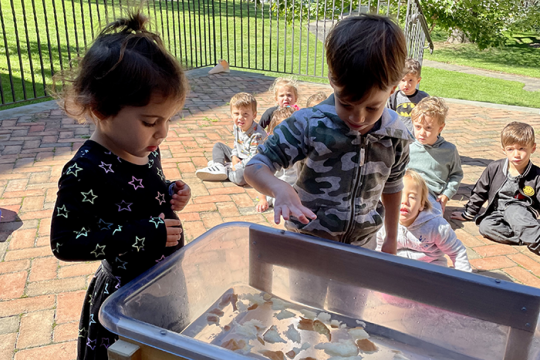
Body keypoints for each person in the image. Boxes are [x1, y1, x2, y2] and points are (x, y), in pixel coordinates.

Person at [50, 11, 189, 360]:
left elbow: (139, 191)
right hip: (124, 301)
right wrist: (144, 234)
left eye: (167, 120)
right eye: (150, 121)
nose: (162, 132)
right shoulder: (85, 170)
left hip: (164, 285)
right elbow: (64, 242)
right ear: (100, 108)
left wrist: (169, 192)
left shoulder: (142, 147)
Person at [245, 14, 413, 253]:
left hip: (362, 246)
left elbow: (393, 185)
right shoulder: (308, 124)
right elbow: (254, 167)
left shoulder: (395, 134)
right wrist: (279, 188)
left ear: (392, 89)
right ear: (333, 81)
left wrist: (391, 238)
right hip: (307, 241)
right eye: (346, 104)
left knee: (352, 292)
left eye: (372, 107)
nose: (358, 118)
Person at [452, 122, 540, 255]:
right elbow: (480, 192)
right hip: (498, 213)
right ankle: (526, 237)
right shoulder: (494, 168)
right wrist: (468, 213)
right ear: (503, 149)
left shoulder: (537, 175)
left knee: (513, 211)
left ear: (532, 148)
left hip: (521, 213)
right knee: (485, 226)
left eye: (522, 148)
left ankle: (536, 242)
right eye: (510, 149)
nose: (516, 154)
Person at [376, 170, 472, 271]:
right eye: (399, 196)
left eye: (412, 197)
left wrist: (465, 278)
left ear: (422, 205)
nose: (404, 201)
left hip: (430, 267)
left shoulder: (436, 226)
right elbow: (378, 251)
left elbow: (456, 252)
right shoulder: (382, 223)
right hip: (399, 267)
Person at [195, 93, 266, 185]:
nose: (240, 118)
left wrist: (237, 165)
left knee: (240, 178)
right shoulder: (237, 126)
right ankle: (218, 166)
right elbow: (237, 143)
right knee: (218, 146)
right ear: (232, 114)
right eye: (236, 113)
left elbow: (254, 158)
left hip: (253, 164)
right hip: (240, 157)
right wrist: (234, 156)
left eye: (245, 114)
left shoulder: (258, 135)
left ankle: (226, 172)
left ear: (254, 115)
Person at [407, 97, 463, 213]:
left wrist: (446, 195)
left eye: (428, 128)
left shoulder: (449, 150)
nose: (422, 133)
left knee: (432, 223)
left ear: (440, 128)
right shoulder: (408, 147)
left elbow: (456, 175)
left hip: (431, 195)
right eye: (418, 127)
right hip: (408, 191)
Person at [256, 107, 299, 213]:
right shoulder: (271, 153)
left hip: (296, 190)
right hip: (275, 191)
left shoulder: (301, 151)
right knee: (279, 202)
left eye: (291, 132)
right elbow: (261, 179)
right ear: (272, 134)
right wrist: (262, 199)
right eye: (282, 133)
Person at [387, 58, 429, 133]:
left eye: (411, 80)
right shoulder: (393, 97)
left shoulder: (424, 98)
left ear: (418, 80)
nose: (406, 85)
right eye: (403, 80)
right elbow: (388, 117)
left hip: (416, 136)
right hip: (398, 134)